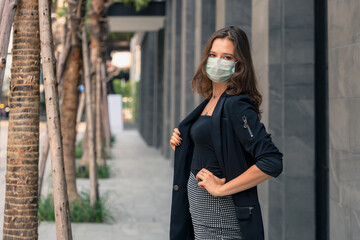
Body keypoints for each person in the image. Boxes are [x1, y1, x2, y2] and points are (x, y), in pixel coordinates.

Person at [169, 26, 283, 240]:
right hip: (202, 224)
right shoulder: (211, 101)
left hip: (221, 225)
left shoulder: (236, 105)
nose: (217, 61)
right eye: (213, 55)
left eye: (226, 57)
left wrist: (222, 189)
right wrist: (183, 140)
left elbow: (271, 161)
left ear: (239, 65)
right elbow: (215, 145)